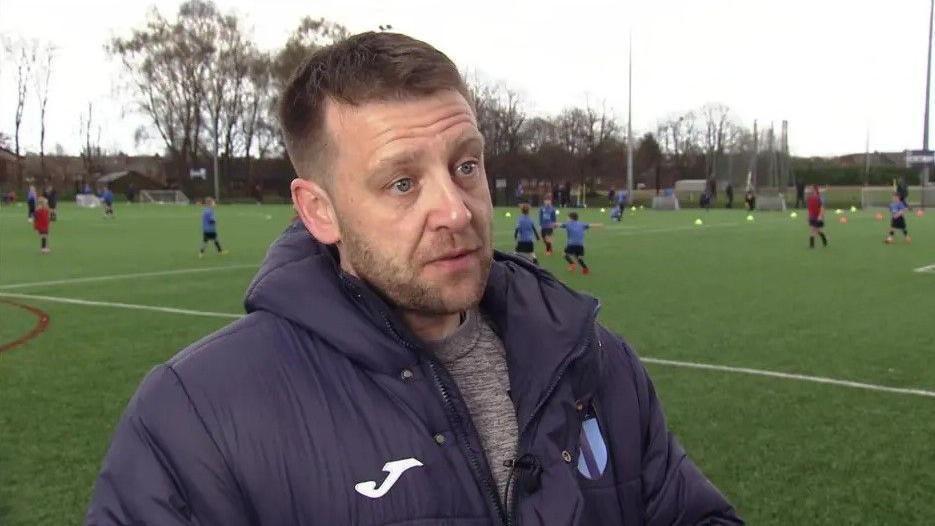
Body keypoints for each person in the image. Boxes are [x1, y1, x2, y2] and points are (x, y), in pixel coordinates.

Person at [87, 32, 741, 525]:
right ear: (319, 211)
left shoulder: (590, 359)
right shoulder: (196, 415)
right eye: (402, 183)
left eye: (464, 166)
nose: (455, 210)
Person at [558, 211, 603, 275]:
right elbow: (591, 225)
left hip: (571, 244)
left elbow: (558, 224)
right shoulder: (581, 224)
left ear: (571, 218)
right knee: (578, 258)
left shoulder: (568, 224)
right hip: (580, 245)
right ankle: (585, 269)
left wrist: (552, 224)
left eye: (568, 218)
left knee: (564, 254)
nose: (567, 219)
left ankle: (572, 264)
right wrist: (599, 225)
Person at [807, 184, 828, 249]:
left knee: (816, 230)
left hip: (818, 216)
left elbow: (822, 208)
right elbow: (809, 208)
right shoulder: (810, 198)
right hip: (812, 216)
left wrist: (820, 216)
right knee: (814, 230)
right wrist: (808, 216)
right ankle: (813, 244)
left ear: (815, 190)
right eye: (810, 189)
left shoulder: (819, 198)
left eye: (811, 189)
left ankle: (813, 244)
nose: (810, 190)